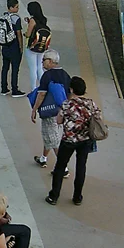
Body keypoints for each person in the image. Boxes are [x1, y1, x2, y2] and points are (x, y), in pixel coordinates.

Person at [46, 76, 101, 206]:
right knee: (81, 167)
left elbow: (58, 121)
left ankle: (54, 196)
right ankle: (77, 197)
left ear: (71, 89)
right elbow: (98, 117)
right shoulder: (91, 103)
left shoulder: (67, 104)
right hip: (85, 140)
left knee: (60, 167)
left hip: (68, 140)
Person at [31, 49, 71, 175]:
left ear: (50, 61)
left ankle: (63, 167)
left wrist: (34, 110)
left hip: (49, 112)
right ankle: (43, 158)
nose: (42, 62)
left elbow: (41, 95)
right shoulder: (65, 74)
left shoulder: (47, 76)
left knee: (53, 138)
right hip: (61, 111)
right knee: (49, 134)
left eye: (44, 60)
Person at [0, 0, 25, 97]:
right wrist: (21, 46)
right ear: (11, 7)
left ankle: (4, 88)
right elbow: (18, 33)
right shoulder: (16, 18)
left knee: (5, 67)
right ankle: (15, 89)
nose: (18, 9)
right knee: (15, 68)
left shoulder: (3, 16)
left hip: (5, 46)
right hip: (14, 46)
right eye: (16, 7)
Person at [24, 1, 50, 89]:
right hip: (42, 46)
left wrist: (25, 33)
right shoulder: (44, 19)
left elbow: (28, 34)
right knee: (39, 67)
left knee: (33, 68)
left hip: (32, 47)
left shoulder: (32, 20)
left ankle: (33, 88)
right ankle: (43, 86)